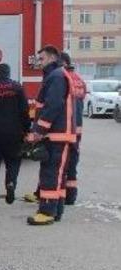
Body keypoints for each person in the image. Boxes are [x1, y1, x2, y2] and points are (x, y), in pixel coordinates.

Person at [25, 45, 77, 226]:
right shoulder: (55, 75)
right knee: (57, 175)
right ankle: (56, 210)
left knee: (51, 174)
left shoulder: (56, 76)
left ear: (52, 58)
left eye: (42, 59)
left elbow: (52, 105)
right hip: (58, 134)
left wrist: (39, 131)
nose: (38, 63)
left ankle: (47, 211)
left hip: (57, 134)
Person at [0, 63, 30, 204]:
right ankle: (10, 183)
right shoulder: (17, 88)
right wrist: (26, 129)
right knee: (13, 161)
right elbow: (24, 111)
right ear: (9, 73)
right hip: (14, 132)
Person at [60, 52, 86, 206]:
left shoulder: (64, 79)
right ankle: (71, 196)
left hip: (66, 128)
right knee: (73, 162)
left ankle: (61, 196)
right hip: (78, 129)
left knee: (60, 164)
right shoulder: (79, 80)